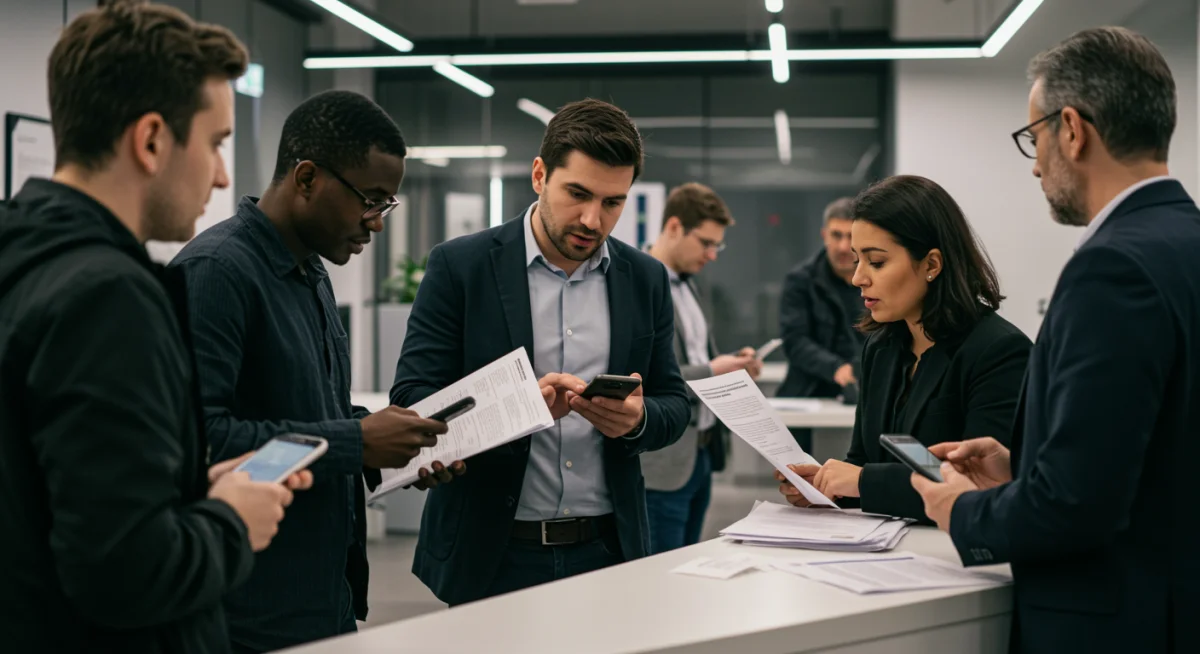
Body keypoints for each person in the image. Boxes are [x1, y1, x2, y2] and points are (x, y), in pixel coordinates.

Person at [0, 2, 309, 652]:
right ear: (150, 141)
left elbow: (51, 498)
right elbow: (122, 573)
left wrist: (191, 489)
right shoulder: (107, 298)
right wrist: (229, 522)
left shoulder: (23, 257)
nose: (222, 175)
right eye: (216, 143)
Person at [910, 27, 1200, 653]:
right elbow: (1160, 452)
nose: (1036, 164)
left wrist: (960, 510)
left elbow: (1077, 505)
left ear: (1072, 129)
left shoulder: (1111, 268)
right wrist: (1024, 468)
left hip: (1114, 625)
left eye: (1033, 137)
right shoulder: (1185, 243)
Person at [169, 90, 457, 653]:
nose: (376, 224)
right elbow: (201, 441)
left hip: (324, 599)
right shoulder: (215, 273)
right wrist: (356, 441)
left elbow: (308, 413)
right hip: (248, 616)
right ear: (306, 178)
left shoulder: (311, 272)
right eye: (370, 201)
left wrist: (390, 449)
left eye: (387, 205)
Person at [390, 99, 691, 605]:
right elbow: (412, 399)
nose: (592, 219)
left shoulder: (645, 279)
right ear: (539, 176)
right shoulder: (460, 267)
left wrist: (638, 420)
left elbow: (675, 404)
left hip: (607, 550)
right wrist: (517, 408)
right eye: (578, 194)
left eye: (613, 203)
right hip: (492, 551)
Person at [775, 176, 1030, 521]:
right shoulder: (881, 347)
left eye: (876, 262)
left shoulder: (999, 352)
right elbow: (864, 462)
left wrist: (861, 482)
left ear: (932, 265)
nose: (858, 278)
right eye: (857, 260)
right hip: (887, 546)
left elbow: (977, 487)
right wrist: (827, 487)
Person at [642, 182, 761, 552]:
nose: (712, 255)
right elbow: (647, 378)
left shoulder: (690, 286)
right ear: (674, 227)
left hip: (702, 455)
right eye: (706, 243)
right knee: (660, 572)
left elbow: (693, 359)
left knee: (685, 560)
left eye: (717, 246)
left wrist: (732, 364)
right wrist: (712, 371)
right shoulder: (639, 284)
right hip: (662, 463)